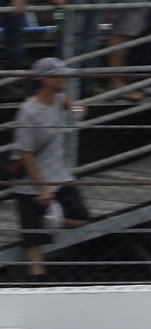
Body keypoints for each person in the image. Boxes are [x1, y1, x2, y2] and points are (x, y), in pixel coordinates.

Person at [12, 57, 90, 282]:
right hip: (33, 184)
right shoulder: (28, 111)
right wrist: (42, 188)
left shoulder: (58, 99)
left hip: (60, 176)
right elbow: (25, 153)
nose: (64, 77)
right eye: (59, 74)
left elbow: (68, 102)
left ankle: (54, 222)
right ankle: (38, 284)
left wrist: (76, 108)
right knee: (34, 242)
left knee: (82, 218)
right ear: (45, 79)